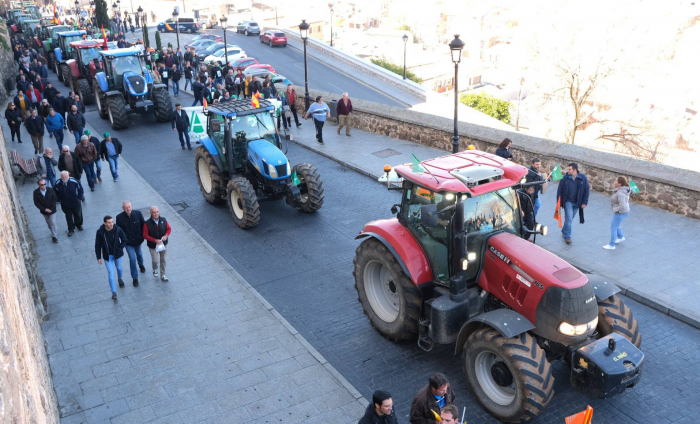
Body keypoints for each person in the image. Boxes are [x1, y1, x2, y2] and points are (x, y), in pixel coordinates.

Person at [95, 215, 128, 300]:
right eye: (109, 222)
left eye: (112, 222)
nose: (111, 224)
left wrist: (119, 248)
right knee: (111, 273)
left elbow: (124, 239)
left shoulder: (118, 229)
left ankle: (120, 279)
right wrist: (98, 257)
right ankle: (114, 292)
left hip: (117, 254)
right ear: (105, 223)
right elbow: (97, 245)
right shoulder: (100, 232)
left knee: (119, 268)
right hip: (108, 255)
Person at [556, 162, 590, 244]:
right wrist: (558, 202)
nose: (568, 170)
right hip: (568, 202)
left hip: (577, 203)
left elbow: (586, 190)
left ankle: (564, 229)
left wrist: (585, 202)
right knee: (569, 219)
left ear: (575, 170)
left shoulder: (583, 178)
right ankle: (567, 236)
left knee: (570, 218)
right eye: (568, 169)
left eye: (570, 169)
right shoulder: (565, 178)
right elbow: (559, 191)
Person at [116, 201, 146, 287]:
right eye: (126, 207)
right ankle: (135, 278)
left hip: (138, 240)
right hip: (128, 242)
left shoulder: (138, 214)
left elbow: (143, 225)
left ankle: (141, 264)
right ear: (123, 208)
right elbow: (119, 231)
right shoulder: (119, 217)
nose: (128, 209)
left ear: (131, 206)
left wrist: (142, 236)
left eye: (129, 207)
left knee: (139, 253)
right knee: (132, 258)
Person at [143, 206, 171, 282]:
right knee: (155, 260)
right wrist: (155, 240)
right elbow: (145, 235)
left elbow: (169, 229)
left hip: (163, 244)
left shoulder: (163, 220)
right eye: (154, 212)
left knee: (163, 259)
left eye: (157, 212)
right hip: (153, 245)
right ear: (151, 213)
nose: (156, 214)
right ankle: (154, 269)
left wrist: (166, 235)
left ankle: (163, 274)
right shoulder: (147, 223)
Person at [604, 176, 631, 250]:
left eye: (616, 181)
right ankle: (621, 237)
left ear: (620, 184)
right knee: (616, 225)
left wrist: (615, 209)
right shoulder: (622, 190)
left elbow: (622, 205)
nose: (614, 182)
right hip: (623, 212)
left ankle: (612, 245)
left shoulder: (620, 193)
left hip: (620, 212)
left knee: (613, 227)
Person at [54, 171, 84, 237]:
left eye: (65, 177)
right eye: (63, 177)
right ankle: (71, 229)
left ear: (68, 175)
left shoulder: (74, 181)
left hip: (76, 202)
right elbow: (55, 192)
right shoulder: (57, 183)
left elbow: (80, 189)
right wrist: (59, 199)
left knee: (78, 215)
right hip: (65, 204)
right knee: (68, 217)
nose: (64, 178)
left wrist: (79, 197)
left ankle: (78, 225)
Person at [33, 179, 59, 243]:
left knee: (53, 222)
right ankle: (52, 230)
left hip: (52, 210)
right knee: (48, 223)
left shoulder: (50, 190)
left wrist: (51, 208)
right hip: (44, 211)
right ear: (39, 185)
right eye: (42, 185)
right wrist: (44, 209)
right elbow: (36, 203)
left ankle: (54, 236)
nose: (44, 186)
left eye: (45, 184)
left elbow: (54, 199)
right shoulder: (36, 192)